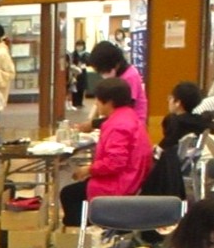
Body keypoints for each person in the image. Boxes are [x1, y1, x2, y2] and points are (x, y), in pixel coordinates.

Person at [60, 78, 152, 227]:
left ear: (108, 102)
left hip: (120, 184)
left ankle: (88, 227)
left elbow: (115, 162)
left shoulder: (117, 126)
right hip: (132, 178)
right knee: (72, 192)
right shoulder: (130, 117)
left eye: (98, 100)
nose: (96, 104)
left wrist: (88, 169)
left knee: (68, 195)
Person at [140, 81, 212, 198]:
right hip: (188, 163)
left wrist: (154, 149)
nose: (168, 100)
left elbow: (164, 148)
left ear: (178, 103)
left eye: (170, 98)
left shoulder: (176, 122)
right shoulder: (200, 122)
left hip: (171, 169)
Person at [83, 41, 147, 125]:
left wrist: (94, 124)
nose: (102, 73)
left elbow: (123, 111)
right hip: (119, 122)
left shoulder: (130, 77)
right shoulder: (117, 76)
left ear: (114, 64)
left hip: (132, 125)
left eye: (103, 70)